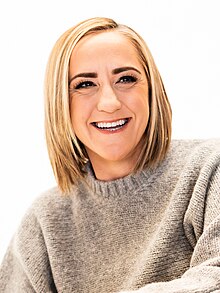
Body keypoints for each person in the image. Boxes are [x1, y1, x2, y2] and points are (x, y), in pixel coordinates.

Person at [0, 17, 220, 293]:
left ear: (152, 91)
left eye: (126, 79)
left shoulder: (209, 170)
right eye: (84, 85)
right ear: (61, 104)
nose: (110, 103)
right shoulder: (44, 221)